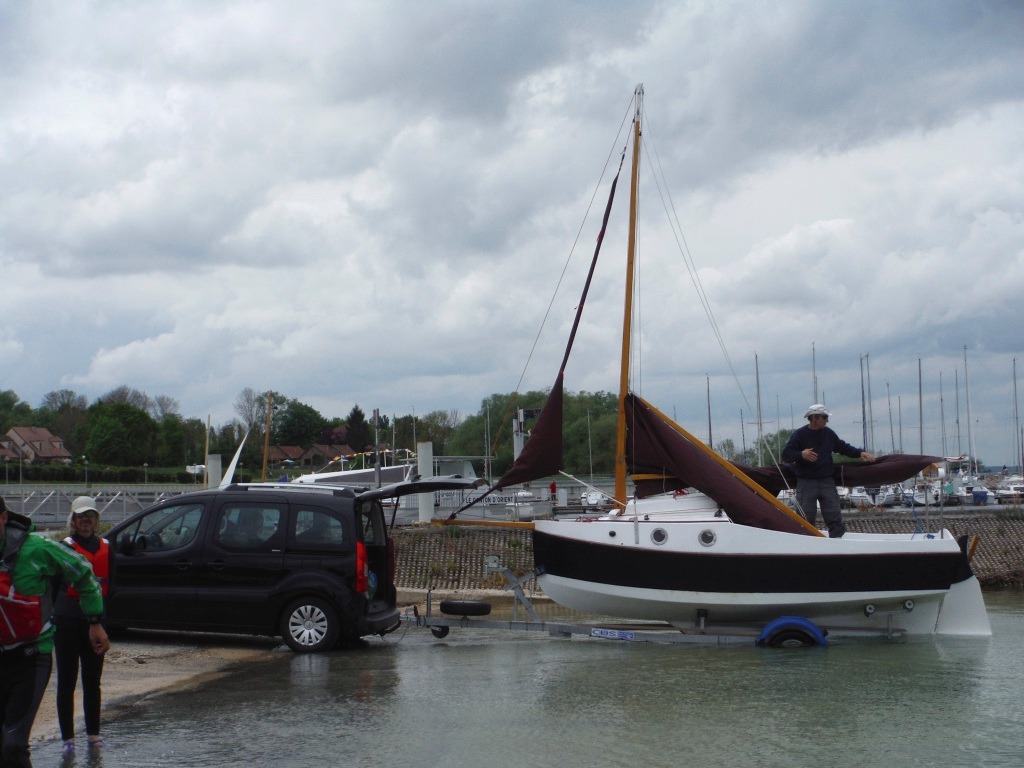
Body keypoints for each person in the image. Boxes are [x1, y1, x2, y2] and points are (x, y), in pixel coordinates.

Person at [0, 495, 110, 768]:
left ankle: (82, 740)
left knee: (13, 746)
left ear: (3, 518)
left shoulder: (37, 548)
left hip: (31, 656)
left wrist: (95, 621)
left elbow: (84, 573)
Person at [54, 497, 115, 756]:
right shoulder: (63, 547)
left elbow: (111, 587)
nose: (86, 519)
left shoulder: (107, 548)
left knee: (93, 681)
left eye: (90, 515)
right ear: (74, 521)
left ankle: (93, 736)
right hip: (67, 622)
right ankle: (68, 740)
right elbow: (53, 587)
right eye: (81, 516)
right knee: (66, 682)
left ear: (96, 519)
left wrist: (101, 621)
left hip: (95, 625)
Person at [782, 404, 877, 538]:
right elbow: (786, 454)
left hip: (827, 480)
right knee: (805, 517)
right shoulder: (800, 434)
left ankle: (837, 543)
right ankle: (806, 546)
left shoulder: (829, 434)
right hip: (806, 482)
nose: (827, 420)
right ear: (814, 418)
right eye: (825, 417)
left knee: (834, 515)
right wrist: (801, 454)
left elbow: (842, 447)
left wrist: (860, 453)